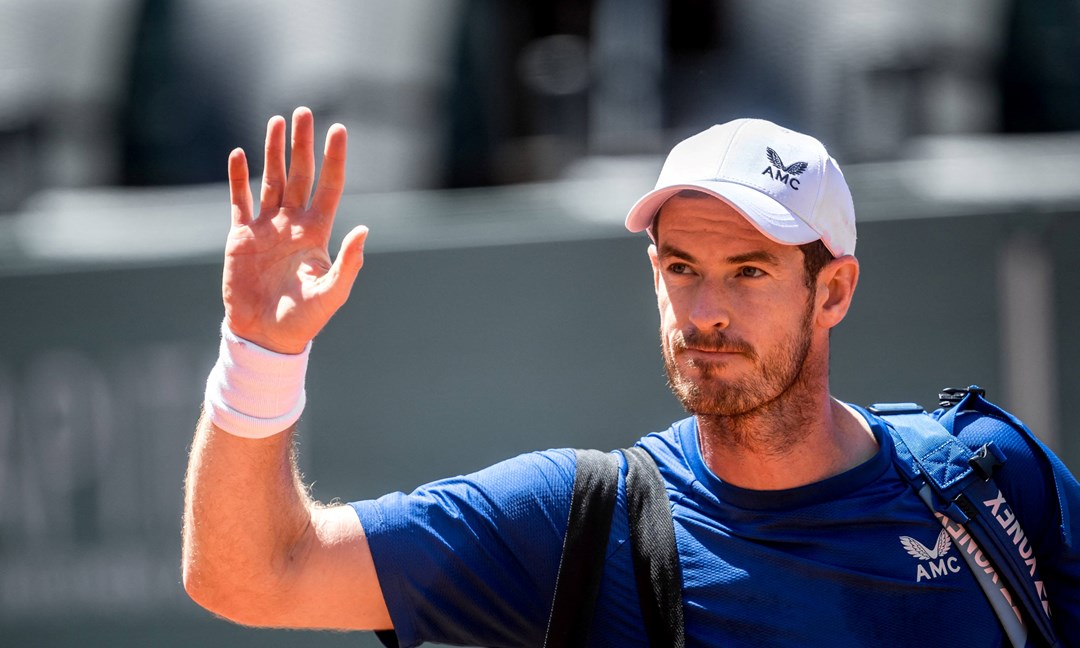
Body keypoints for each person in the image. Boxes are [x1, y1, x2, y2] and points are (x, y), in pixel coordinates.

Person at [182, 107, 1080, 647]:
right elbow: (256, 573)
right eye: (681, 267)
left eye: (751, 271)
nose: (705, 312)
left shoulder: (986, 480)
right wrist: (260, 352)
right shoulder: (578, 525)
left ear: (833, 289)